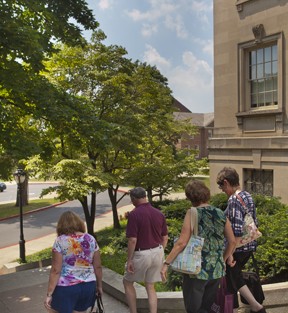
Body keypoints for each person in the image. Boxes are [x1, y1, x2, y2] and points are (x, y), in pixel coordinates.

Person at [161, 180, 236, 313]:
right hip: (216, 270)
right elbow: (232, 242)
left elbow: (182, 242)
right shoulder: (220, 213)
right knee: (207, 308)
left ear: (190, 196)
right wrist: (223, 259)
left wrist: (166, 263)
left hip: (195, 270)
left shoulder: (192, 212)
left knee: (194, 309)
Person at [216, 167, 266, 313]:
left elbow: (236, 231)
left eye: (221, 187)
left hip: (238, 246)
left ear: (226, 182)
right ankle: (233, 307)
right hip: (249, 245)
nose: (222, 190)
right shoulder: (247, 195)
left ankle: (256, 307)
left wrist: (229, 253)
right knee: (232, 276)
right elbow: (254, 221)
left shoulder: (233, 200)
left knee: (232, 275)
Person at [44, 211, 103, 313]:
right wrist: (99, 286)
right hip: (88, 285)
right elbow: (97, 266)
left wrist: (49, 294)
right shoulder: (90, 239)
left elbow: (55, 270)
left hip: (66, 287)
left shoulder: (60, 241)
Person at [123, 187, 168, 313]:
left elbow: (132, 240)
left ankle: (133, 311)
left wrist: (130, 260)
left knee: (127, 282)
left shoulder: (134, 214)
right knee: (150, 286)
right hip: (158, 251)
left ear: (133, 199)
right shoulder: (159, 213)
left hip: (141, 253)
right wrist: (160, 252)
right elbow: (165, 237)